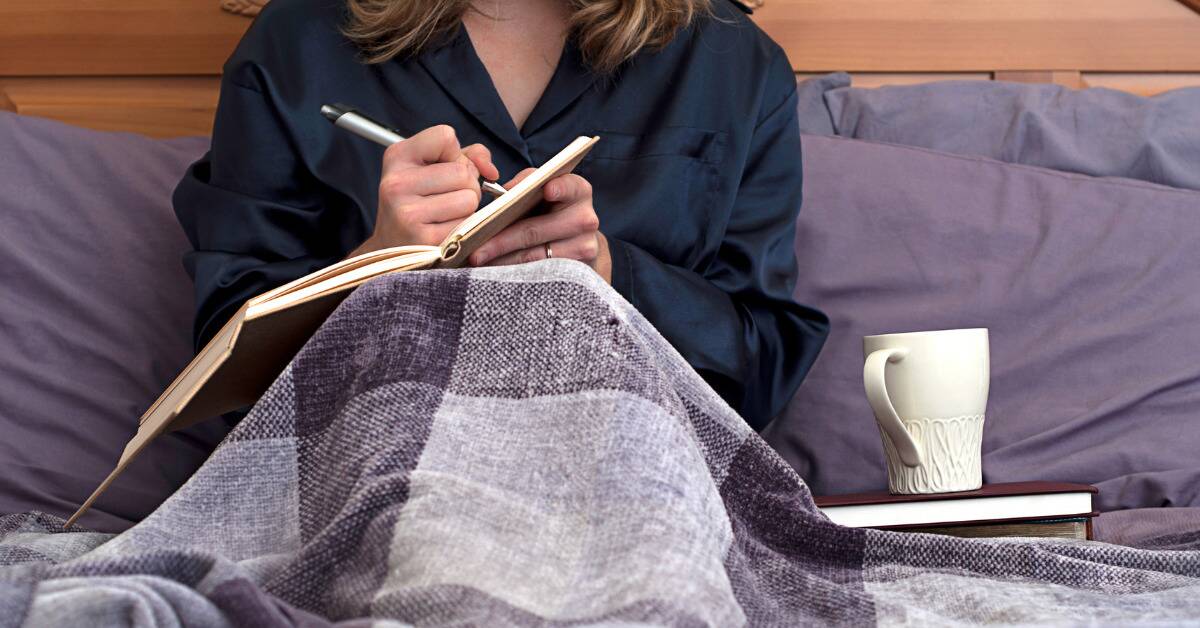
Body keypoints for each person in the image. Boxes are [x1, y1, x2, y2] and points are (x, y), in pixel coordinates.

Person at [173, 0, 829, 429]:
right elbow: (222, 381)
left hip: (641, 479)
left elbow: (763, 372)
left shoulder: (732, 63)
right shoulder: (299, 41)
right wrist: (372, 269)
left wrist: (611, 272)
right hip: (383, 472)